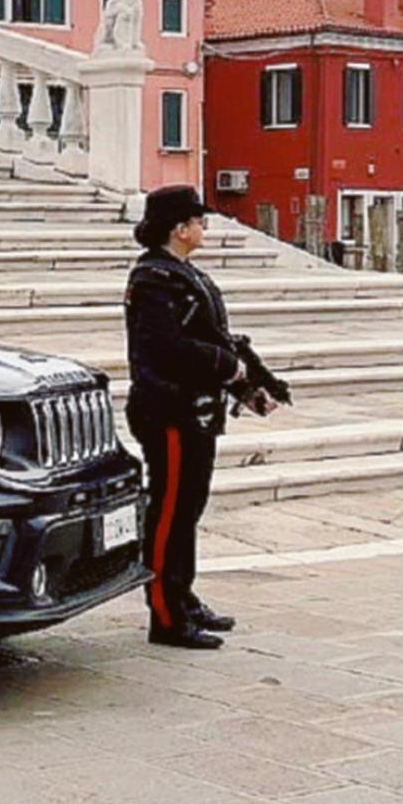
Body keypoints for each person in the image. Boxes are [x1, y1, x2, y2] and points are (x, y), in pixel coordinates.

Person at [125, 186, 282, 651]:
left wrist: (246, 384)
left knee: (189, 507)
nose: (203, 229)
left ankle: (183, 595)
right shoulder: (153, 280)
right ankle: (166, 614)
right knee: (169, 511)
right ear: (179, 228)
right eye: (198, 221)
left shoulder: (182, 274)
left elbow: (216, 339)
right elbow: (165, 348)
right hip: (168, 410)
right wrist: (224, 366)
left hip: (197, 410)